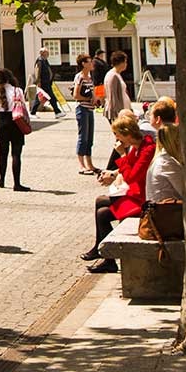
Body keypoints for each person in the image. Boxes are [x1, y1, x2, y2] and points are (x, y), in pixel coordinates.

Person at [80, 111, 153, 274]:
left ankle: (109, 259)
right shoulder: (137, 146)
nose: (117, 140)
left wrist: (121, 154)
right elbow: (128, 168)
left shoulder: (146, 148)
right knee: (100, 201)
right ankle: (100, 248)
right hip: (134, 193)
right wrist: (113, 173)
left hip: (141, 198)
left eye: (118, 135)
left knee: (103, 214)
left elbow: (132, 176)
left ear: (127, 134)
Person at [0, 69, 30, 191]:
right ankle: (17, 183)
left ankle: (2, 179)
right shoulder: (17, 91)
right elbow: (23, 105)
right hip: (16, 121)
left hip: (1, 121)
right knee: (16, 154)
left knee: (3, 152)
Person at [72, 54, 99, 174]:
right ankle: (81, 165)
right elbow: (76, 96)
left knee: (90, 138)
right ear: (83, 63)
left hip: (90, 109)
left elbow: (92, 93)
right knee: (83, 137)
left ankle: (90, 164)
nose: (92, 64)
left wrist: (95, 99)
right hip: (82, 109)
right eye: (89, 62)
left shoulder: (89, 77)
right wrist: (88, 99)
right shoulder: (80, 77)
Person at [33, 49, 61, 115]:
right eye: (46, 52)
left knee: (40, 98)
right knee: (51, 97)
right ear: (42, 53)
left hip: (47, 82)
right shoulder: (40, 61)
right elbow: (37, 72)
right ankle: (57, 112)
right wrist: (38, 81)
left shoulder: (45, 61)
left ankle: (33, 112)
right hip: (43, 82)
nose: (48, 53)